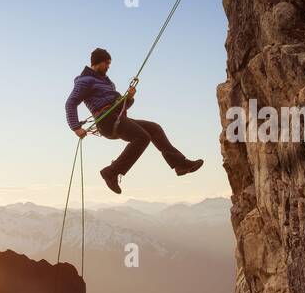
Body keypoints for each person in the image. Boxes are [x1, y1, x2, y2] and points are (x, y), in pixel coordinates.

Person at [65, 48, 203, 194]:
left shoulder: (106, 82)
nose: (108, 67)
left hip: (117, 118)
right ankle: (111, 172)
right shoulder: (84, 81)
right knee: (142, 137)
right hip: (106, 121)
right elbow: (70, 103)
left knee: (154, 128)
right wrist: (75, 128)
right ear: (97, 63)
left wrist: (129, 97)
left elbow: (122, 106)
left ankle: (180, 164)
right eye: (107, 63)